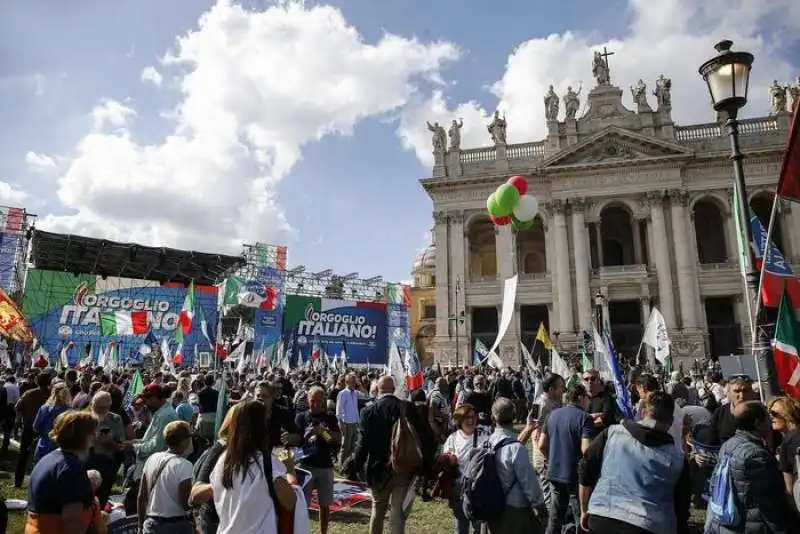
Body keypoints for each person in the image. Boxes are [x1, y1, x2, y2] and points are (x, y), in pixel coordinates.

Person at [578, 391, 690, 534]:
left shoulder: (612, 434)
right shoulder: (678, 459)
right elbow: (682, 507)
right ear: (671, 422)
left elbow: (585, 469)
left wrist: (584, 509)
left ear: (643, 413)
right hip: (649, 525)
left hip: (603, 515)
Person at [705, 401, 799, 533]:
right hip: (750, 526)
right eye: (767, 417)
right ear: (757, 423)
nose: (770, 421)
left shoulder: (729, 444)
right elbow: (769, 503)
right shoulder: (755, 455)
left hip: (728, 523)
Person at [210, 400, 297, 534]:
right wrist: (290, 470)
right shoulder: (265, 463)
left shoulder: (222, 460)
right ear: (261, 427)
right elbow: (290, 501)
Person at [353, 375, 426, 534]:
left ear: (378, 390)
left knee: (377, 511)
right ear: (394, 389)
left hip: (377, 469)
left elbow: (362, 443)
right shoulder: (407, 407)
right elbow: (420, 436)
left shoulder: (367, 411)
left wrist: (357, 466)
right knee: (397, 512)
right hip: (402, 466)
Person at [25, 410, 99, 534]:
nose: (96, 436)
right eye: (93, 432)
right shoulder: (71, 468)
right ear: (82, 436)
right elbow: (71, 521)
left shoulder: (50, 458)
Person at [485, 398, 547, 533]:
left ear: (493, 419)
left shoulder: (486, 443)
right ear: (514, 417)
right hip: (515, 509)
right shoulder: (516, 449)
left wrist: (528, 428)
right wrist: (541, 509)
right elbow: (529, 484)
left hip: (491, 506)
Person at [538, 383, 592, 534]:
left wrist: (551, 458)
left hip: (554, 472)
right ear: (581, 398)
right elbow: (586, 449)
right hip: (575, 476)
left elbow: (541, 444)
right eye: (587, 398)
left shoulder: (552, 415)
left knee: (555, 518)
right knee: (581, 517)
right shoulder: (585, 418)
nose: (589, 401)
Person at [296, 386, 341, 534]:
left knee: (325, 504)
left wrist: (324, 433)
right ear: (307, 399)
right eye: (312, 401)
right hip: (305, 465)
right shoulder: (301, 417)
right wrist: (307, 435)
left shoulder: (329, 417)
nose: (314, 404)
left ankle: (324, 531)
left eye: (318, 401)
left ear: (323, 401)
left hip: (325, 466)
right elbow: (296, 443)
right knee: (302, 504)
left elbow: (335, 441)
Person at [137, 420, 195, 534]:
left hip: (151, 524)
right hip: (176, 526)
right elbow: (185, 502)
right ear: (184, 441)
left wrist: (139, 526)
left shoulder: (152, 458)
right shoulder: (184, 465)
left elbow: (141, 495)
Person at [442, 404, 489, 534]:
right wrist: (450, 460)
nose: (471, 421)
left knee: (479, 526)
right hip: (459, 488)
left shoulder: (484, 434)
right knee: (460, 526)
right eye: (467, 418)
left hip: (478, 488)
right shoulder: (453, 439)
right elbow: (445, 459)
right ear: (459, 420)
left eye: (473, 417)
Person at [87, 391, 125, 507]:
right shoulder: (85, 417)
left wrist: (109, 441)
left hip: (107, 465)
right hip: (87, 461)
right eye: (98, 406)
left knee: (102, 497)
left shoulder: (115, 420)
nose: (102, 410)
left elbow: (121, 446)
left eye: (105, 407)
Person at [15, 372, 52, 487]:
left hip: (29, 427)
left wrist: (18, 421)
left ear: (36, 381)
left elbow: (18, 408)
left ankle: (18, 482)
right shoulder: (52, 395)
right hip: (45, 431)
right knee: (43, 458)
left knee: (23, 456)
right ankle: (39, 483)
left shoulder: (29, 394)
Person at [768, 396, 800, 506]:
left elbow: (789, 488)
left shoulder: (789, 441)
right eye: (769, 414)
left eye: (774, 413)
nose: (771, 417)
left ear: (788, 414)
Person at [32, 382, 72, 463]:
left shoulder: (44, 408)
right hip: (59, 450)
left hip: (42, 445)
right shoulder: (69, 412)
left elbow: (35, 428)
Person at [336, 373, 360, 466]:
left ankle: (348, 465)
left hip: (355, 422)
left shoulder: (355, 393)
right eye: (352, 382)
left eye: (355, 382)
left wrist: (358, 421)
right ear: (347, 382)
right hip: (346, 423)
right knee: (345, 446)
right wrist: (340, 423)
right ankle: (341, 465)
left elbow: (355, 408)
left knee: (353, 446)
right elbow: (339, 409)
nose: (354, 384)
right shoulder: (342, 393)